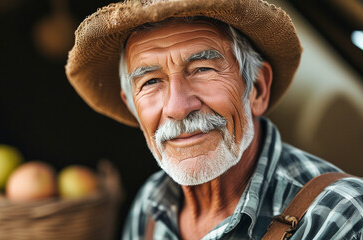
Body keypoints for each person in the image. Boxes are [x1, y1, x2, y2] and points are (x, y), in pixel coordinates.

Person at [65, 0, 363, 239]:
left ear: (257, 89)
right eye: (151, 82)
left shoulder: (340, 213)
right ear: (132, 108)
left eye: (202, 69)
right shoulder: (150, 205)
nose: (178, 107)